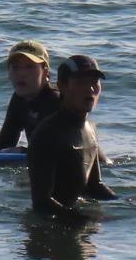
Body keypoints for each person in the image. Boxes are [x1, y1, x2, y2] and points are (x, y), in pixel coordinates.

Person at [27, 54, 117, 224]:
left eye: (94, 82)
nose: (90, 89)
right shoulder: (48, 134)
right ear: (62, 86)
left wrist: (126, 205)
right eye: (81, 82)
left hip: (74, 223)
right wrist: (83, 220)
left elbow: (94, 187)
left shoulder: (90, 129)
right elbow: (41, 203)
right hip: (48, 230)